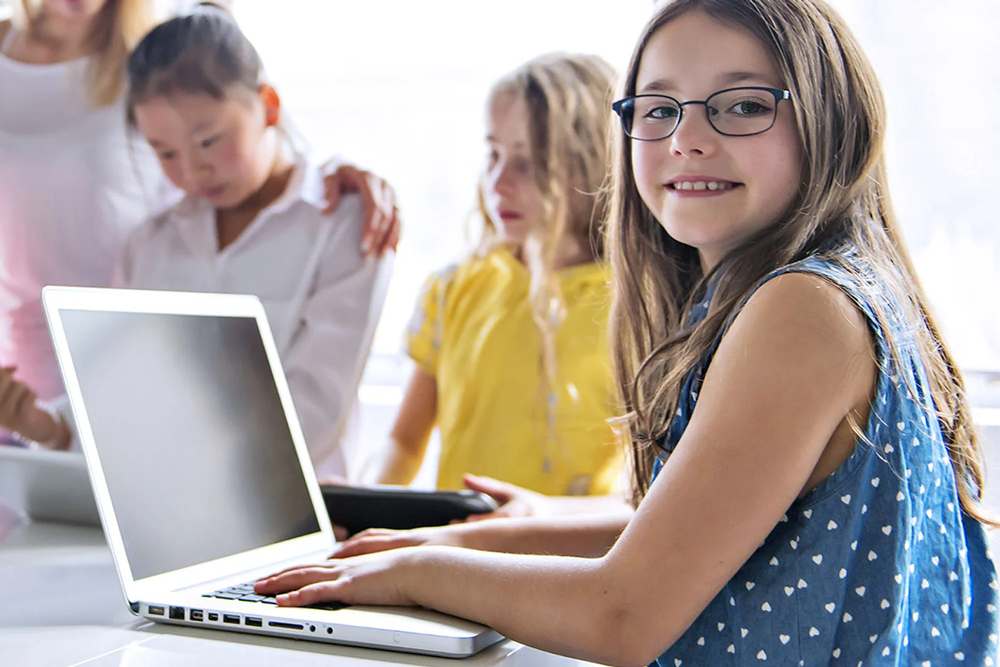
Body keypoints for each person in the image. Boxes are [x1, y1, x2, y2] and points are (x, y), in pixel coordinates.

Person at [255, 1, 1000, 664]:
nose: (687, 139)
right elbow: (676, 531)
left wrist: (414, 572)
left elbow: (624, 615)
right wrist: (453, 540)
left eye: (741, 106)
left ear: (831, 121)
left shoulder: (802, 309)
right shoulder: (808, 289)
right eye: (659, 108)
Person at [0, 7, 392, 474]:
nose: (190, 171)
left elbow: (316, 409)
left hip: (307, 515)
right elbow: (121, 386)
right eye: (164, 153)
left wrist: (181, 469)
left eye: (207, 141)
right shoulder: (152, 245)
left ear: (268, 106)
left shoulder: (345, 225)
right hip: (170, 511)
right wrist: (48, 425)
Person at [359, 53, 625, 508]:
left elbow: (641, 499)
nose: (498, 182)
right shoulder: (455, 287)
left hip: (565, 569)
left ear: (588, 164)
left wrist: (538, 516)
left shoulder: (632, 306)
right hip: (451, 557)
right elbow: (404, 442)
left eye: (527, 162)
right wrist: (364, 510)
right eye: (494, 154)